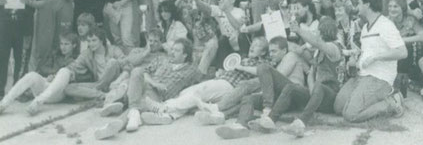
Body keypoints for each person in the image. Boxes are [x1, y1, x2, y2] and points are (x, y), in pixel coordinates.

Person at [136, 37, 269, 125]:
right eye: (253, 43)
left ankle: (164, 108)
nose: (252, 46)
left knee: (197, 92)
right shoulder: (244, 58)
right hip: (221, 80)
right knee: (186, 93)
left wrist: (240, 67)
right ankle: (168, 117)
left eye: (257, 46)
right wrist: (223, 72)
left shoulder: (264, 63)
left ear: (263, 52)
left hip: (229, 86)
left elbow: (260, 74)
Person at [94, 38, 199, 139]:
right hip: (147, 84)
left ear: (185, 55)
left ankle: (117, 120)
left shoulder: (190, 70)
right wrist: (154, 83)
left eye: (176, 50)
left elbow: (198, 87)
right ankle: (131, 111)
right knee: (137, 71)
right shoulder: (162, 60)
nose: (172, 52)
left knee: (138, 98)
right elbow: (145, 72)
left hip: (157, 95)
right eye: (172, 49)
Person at [333, 0, 406, 123]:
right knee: (338, 107)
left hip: (380, 78)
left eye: (359, 3)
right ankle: (373, 100)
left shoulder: (386, 25)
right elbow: (367, 51)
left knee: (350, 115)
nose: (357, 7)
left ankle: (391, 102)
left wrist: (376, 57)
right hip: (362, 76)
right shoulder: (366, 28)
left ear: (367, 5)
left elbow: (402, 52)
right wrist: (356, 57)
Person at [214, 36, 307, 139]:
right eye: (270, 52)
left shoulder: (291, 55)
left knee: (262, 67)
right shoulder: (278, 63)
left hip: (293, 96)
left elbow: (281, 75)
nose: (271, 55)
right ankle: (240, 126)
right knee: (248, 98)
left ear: (284, 50)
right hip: (280, 98)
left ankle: (267, 111)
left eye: (274, 51)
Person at [26, 27, 127, 116]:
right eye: (89, 41)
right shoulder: (87, 53)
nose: (91, 44)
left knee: (113, 62)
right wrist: (55, 76)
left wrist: (118, 80)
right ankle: (104, 96)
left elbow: (128, 65)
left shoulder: (113, 50)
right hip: (98, 85)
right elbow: (73, 66)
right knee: (68, 88)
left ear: (101, 41)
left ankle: (108, 92)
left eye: (94, 40)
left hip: (114, 82)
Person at [0, 33, 80, 119]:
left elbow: (77, 80)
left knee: (64, 71)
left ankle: (37, 102)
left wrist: (57, 76)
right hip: (46, 86)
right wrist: (50, 76)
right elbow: (42, 68)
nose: (63, 47)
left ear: (74, 45)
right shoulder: (56, 55)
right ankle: (1, 106)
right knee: (32, 75)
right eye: (61, 44)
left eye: (66, 44)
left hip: (59, 93)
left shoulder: (78, 60)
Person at [279, 17, 343, 137]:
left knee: (320, 86)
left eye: (317, 31)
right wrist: (311, 88)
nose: (315, 34)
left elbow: (317, 43)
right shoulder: (318, 51)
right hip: (318, 95)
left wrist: (299, 30)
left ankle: (300, 123)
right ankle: (270, 119)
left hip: (331, 96)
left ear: (322, 32)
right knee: (291, 87)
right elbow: (313, 79)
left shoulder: (334, 48)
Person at [386, 0, 423, 94]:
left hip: (410, 56)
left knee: (412, 45)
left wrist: (403, 40)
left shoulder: (410, 20)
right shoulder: (386, 21)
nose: (392, 9)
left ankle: (409, 79)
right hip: (394, 54)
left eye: (396, 6)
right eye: (390, 6)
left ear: (402, 8)